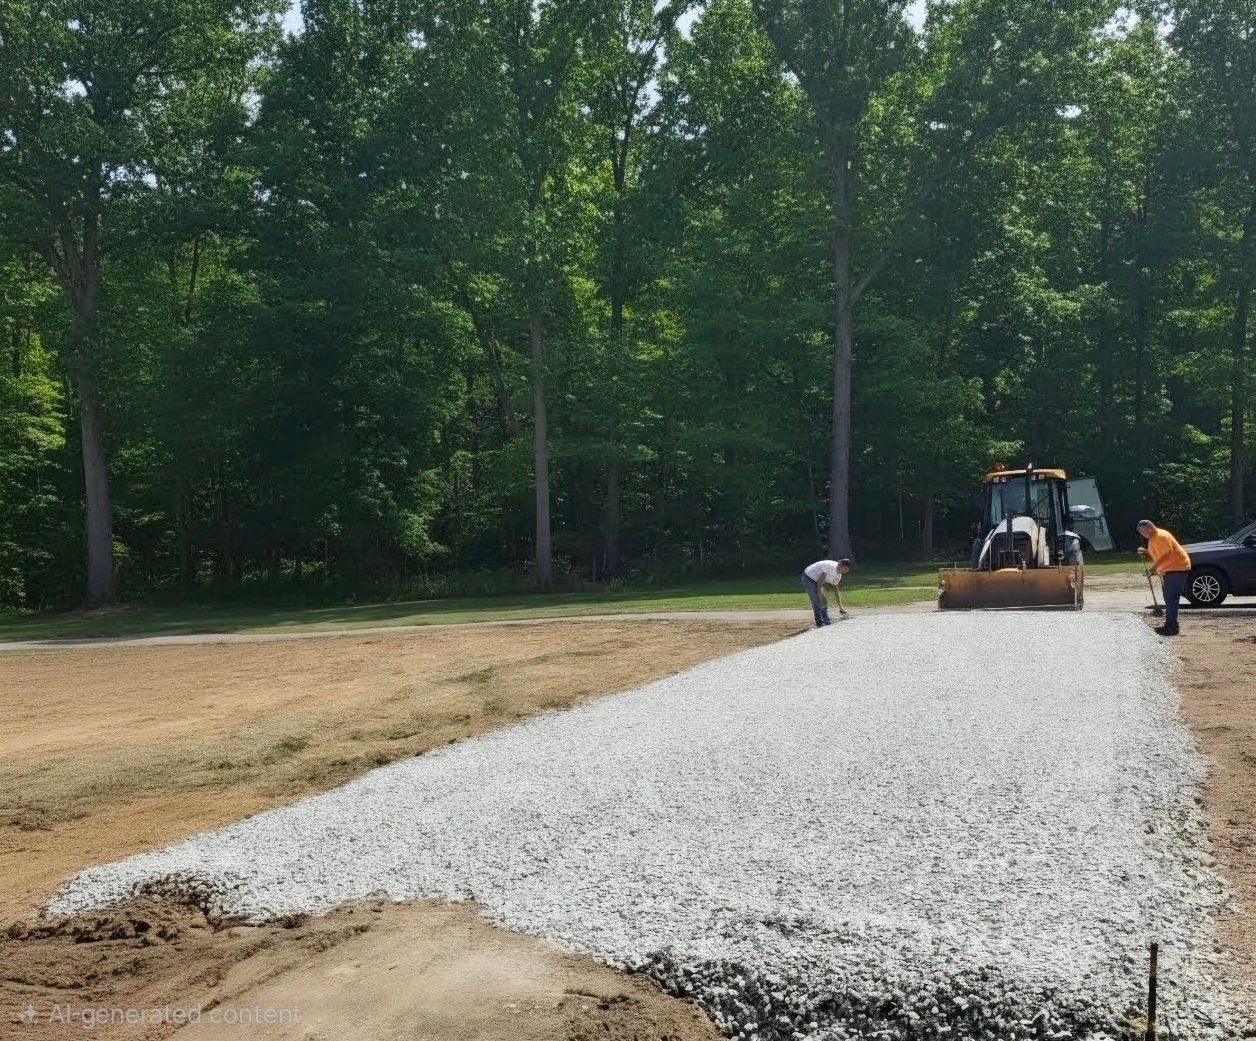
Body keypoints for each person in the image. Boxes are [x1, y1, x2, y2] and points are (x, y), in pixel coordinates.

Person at [1136, 519, 1191, 637]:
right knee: (1169, 599)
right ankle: (1169, 625)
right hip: (1172, 569)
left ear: (1148, 527)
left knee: (1171, 599)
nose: (1143, 535)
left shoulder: (1160, 536)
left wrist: (1153, 568)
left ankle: (1172, 627)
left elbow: (1167, 552)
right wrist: (1145, 552)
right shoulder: (1153, 539)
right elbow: (1157, 554)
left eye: (1143, 532)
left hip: (1177, 568)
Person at [801, 558, 853, 628]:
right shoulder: (830, 568)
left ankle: (826, 622)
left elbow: (836, 591)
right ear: (841, 565)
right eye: (845, 569)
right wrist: (819, 597)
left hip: (817, 579)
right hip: (808, 577)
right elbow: (819, 585)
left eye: (847, 570)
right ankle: (820, 623)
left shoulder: (838, 576)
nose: (845, 572)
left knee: (823, 601)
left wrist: (840, 607)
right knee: (817, 600)